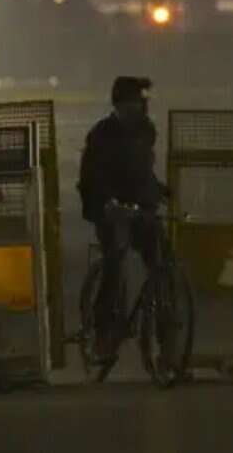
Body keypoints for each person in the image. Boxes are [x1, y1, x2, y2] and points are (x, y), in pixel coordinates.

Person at [78, 76, 167, 361]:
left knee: (164, 262)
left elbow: (143, 171)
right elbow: (93, 177)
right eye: (137, 101)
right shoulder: (101, 134)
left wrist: (160, 191)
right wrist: (108, 204)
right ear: (121, 103)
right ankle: (103, 333)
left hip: (139, 206)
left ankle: (168, 340)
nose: (142, 106)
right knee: (115, 262)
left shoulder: (145, 130)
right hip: (107, 208)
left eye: (143, 101)